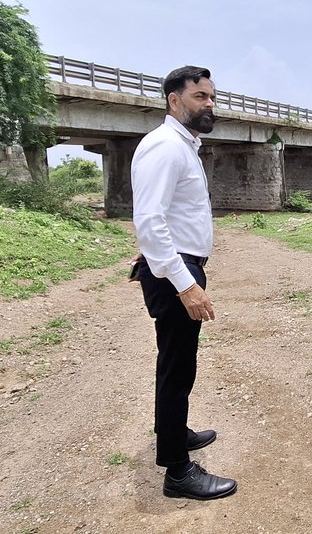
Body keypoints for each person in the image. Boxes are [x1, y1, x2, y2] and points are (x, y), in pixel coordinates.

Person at [131, 65, 237, 501]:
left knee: (176, 362)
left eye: (212, 96)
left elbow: (166, 217)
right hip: (178, 271)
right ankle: (177, 471)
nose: (209, 104)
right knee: (177, 368)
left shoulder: (182, 146)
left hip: (176, 265)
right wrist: (185, 284)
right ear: (175, 101)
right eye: (200, 97)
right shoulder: (165, 147)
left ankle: (174, 432)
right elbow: (150, 220)